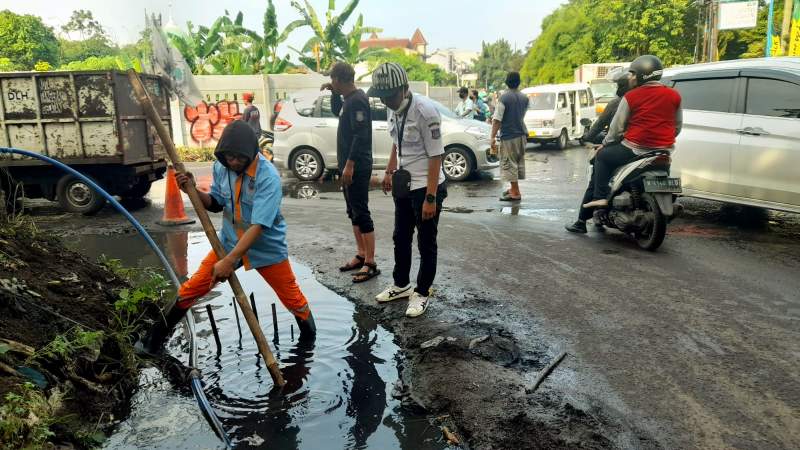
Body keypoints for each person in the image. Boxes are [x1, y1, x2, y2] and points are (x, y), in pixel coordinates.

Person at [138, 121, 316, 354]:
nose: (233, 162)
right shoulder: (221, 168)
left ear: (250, 153)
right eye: (229, 157)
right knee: (191, 289)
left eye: (238, 158)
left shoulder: (268, 176)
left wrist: (230, 261)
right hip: (229, 242)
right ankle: (152, 343)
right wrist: (192, 190)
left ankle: (308, 347)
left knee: (293, 300)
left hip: (265, 247)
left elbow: (258, 225)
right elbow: (216, 203)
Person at [367, 62, 447, 318]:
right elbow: (395, 142)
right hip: (404, 184)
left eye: (390, 95)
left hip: (427, 186)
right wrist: (389, 171)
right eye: (382, 96)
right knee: (400, 237)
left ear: (404, 88)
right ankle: (401, 285)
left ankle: (422, 292)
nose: (386, 101)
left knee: (426, 242)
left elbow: (436, 156)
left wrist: (431, 198)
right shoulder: (393, 109)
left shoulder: (425, 112)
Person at [583, 55, 682, 210]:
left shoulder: (631, 96)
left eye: (633, 73)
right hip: (663, 150)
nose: (631, 77)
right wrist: (662, 140)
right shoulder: (674, 95)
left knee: (602, 156)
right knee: (664, 167)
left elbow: (616, 129)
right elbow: (677, 127)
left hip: (635, 149)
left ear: (643, 74)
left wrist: (605, 144)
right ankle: (669, 198)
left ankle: (600, 197)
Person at [321, 62, 380, 283]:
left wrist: (350, 164)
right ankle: (361, 253)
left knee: (361, 210)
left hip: (357, 164)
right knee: (353, 210)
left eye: (332, 80)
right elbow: (338, 111)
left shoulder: (358, 101)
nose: (331, 82)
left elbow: (360, 135)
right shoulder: (347, 100)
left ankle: (371, 262)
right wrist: (333, 94)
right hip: (348, 164)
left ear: (339, 79)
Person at [566, 69, 633, 233]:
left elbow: (607, 128)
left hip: (623, 147)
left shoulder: (619, 102)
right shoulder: (649, 99)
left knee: (595, 179)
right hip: (648, 147)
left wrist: (588, 136)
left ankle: (582, 220)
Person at [490, 72, 529, 202]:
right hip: (522, 134)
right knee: (517, 162)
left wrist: (492, 137)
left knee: (509, 163)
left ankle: (515, 192)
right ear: (519, 82)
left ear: (507, 82)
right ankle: (513, 189)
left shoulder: (504, 98)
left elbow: (497, 120)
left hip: (509, 135)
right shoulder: (525, 98)